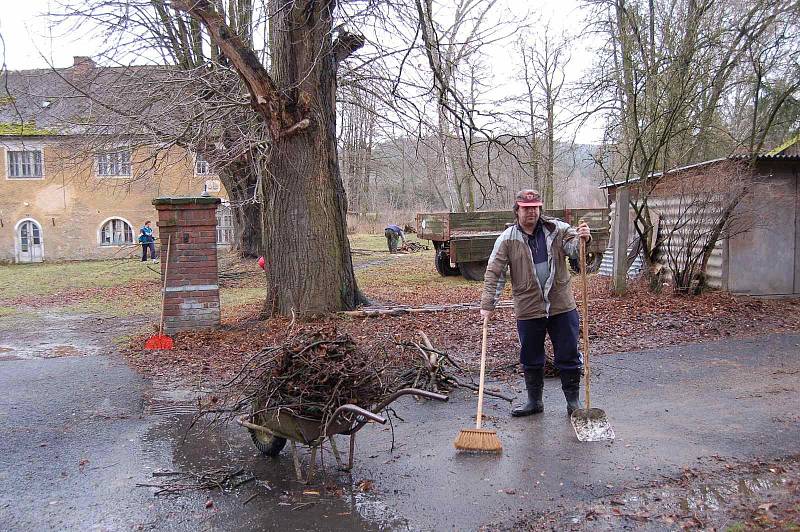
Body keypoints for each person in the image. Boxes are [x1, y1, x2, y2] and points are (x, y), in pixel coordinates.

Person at [480, 189, 591, 417]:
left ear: (540, 209)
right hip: (528, 307)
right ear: (517, 210)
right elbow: (494, 272)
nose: (531, 212)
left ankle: (573, 402)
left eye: (535, 207)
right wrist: (488, 303)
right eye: (526, 208)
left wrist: (583, 238)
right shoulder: (508, 239)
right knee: (530, 355)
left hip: (561, 304)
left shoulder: (557, 229)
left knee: (569, 352)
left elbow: (573, 249)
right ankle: (534, 402)